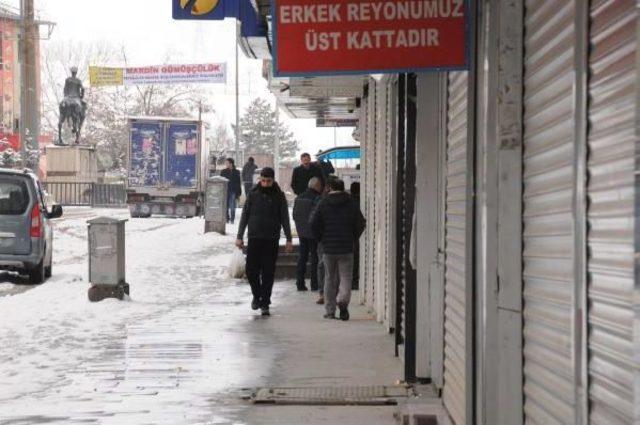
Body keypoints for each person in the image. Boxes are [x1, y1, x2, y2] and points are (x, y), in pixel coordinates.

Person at [236, 167, 293, 316]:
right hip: (254, 238)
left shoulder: (279, 196)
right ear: (259, 179)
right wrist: (239, 236)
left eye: (268, 181)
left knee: (268, 272)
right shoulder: (253, 194)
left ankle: (265, 302)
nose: (265, 183)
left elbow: (285, 218)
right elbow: (245, 216)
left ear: (273, 180)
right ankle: (257, 295)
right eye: (263, 180)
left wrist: (288, 239)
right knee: (251, 271)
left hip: (271, 239)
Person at [311, 178, 366, 321]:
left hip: (328, 248)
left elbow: (313, 223)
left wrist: (321, 238)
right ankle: (343, 303)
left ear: (329, 187)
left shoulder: (323, 203)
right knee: (346, 277)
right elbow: (361, 223)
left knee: (330, 278)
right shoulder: (351, 203)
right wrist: (353, 238)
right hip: (346, 247)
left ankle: (330, 311)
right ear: (343, 188)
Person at [292, 177, 323, 292]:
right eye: (320, 186)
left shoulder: (299, 197)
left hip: (302, 232)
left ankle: (300, 283)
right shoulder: (317, 198)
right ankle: (314, 284)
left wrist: (300, 227)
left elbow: (294, 214)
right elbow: (317, 216)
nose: (321, 188)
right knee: (315, 258)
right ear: (316, 186)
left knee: (302, 257)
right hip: (313, 233)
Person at [220, 158, 242, 224]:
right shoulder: (223, 171)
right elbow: (221, 181)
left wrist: (238, 193)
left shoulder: (236, 172)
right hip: (225, 190)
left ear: (231, 163)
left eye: (227, 163)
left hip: (233, 191)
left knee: (232, 206)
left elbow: (238, 182)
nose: (226, 164)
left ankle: (232, 219)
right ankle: (227, 218)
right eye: (226, 163)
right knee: (225, 205)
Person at [350, 182, 361, 290]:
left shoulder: (348, 202)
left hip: (347, 234)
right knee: (355, 258)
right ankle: (354, 281)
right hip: (355, 235)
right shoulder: (359, 202)